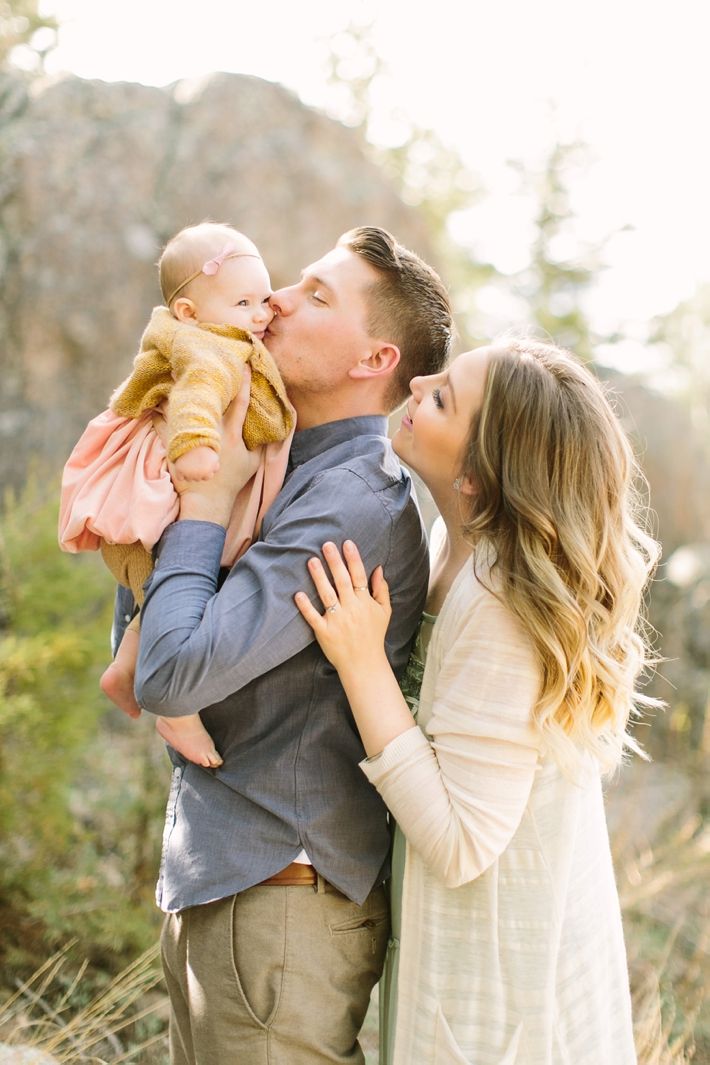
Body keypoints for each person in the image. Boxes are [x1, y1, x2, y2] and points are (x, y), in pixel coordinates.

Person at [129, 226, 453, 1064]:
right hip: (232, 882)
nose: (274, 298)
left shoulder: (351, 501)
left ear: (372, 358)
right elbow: (152, 602)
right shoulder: (272, 454)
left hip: (281, 901)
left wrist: (204, 502)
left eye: (316, 295)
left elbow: (169, 672)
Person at [295, 339, 659, 1065]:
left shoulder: (498, 601)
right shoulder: (450, 544)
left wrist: (363, 664)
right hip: (470, 964)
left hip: (503, 1006)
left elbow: (463, 844)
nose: (419, 382)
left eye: (441, 398)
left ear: (474, 477)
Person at [59, 222, 294, 767]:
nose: (262, 314)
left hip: (161, 505)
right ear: (189, 312)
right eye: (243, 302)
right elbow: (197, 392)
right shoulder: (204, 347)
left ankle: (125, 667)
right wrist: (193, 446)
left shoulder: (225, 334)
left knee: (160, 592)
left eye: (263, 298)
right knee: (177, 586)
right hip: (158, 501)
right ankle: (176, 712)